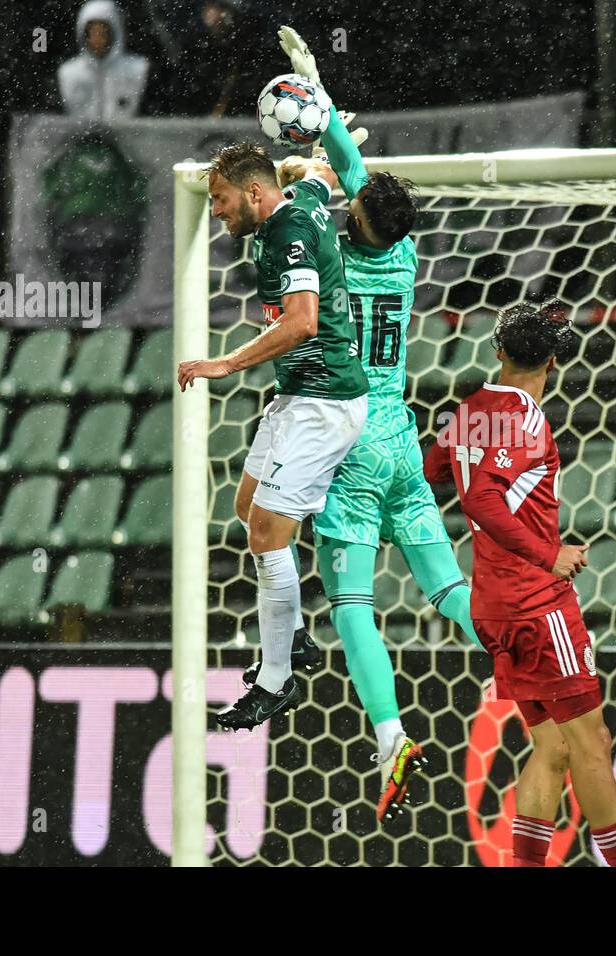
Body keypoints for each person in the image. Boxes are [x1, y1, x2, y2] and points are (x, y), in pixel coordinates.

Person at [239, 25, 485, 823]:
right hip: (405, 443)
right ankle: (542, 650)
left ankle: (390, 735)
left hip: (349, 438)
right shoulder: (405, 256)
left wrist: (319, 105)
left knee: (353, 606)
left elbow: (338, 177)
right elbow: (353, 176)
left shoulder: (329, 253)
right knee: (449, 588)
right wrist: (329, 116)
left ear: (353, 219)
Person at [423, 303, 616, 867]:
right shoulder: (525, 418)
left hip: (493, 606)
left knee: (554, 745)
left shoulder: (471, 408)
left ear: (497, 352)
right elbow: (483, 498)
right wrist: (550, 554)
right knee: (591, 744)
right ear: (553, 358)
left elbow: (434, 471)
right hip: (537, 605)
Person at [178, 141, 368, 731]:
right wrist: (316, 146)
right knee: (246, 507)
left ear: (253, 194)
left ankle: (275, 680)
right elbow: (316, 174)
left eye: (221, 198)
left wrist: (224, 364)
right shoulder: (300, 202)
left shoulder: (288, 238)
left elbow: (303, 320)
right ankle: (296, 638)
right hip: (299, 396)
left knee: (265, 533)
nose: (215, 210)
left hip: (324, 400)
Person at [58, 0, 150, 121]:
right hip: (79, 138)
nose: (98, 39)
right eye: (93, 33)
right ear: (83, 34)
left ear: (115, 32)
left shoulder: (138, 69)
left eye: (103, 32)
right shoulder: (68, 72)